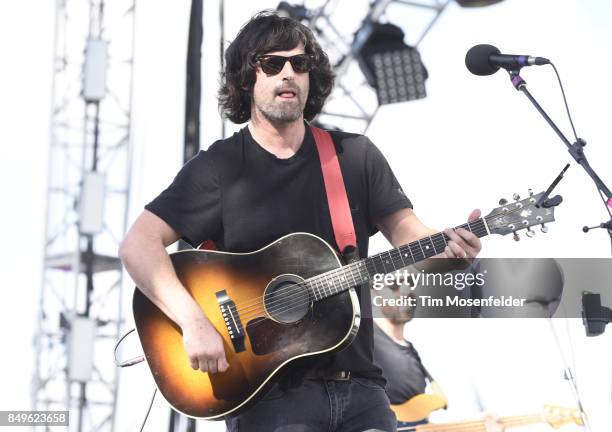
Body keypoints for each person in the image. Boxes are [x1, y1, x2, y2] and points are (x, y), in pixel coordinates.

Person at [119, 10, 482, 432]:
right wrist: (194, 322)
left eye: (300, 64)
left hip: (362, 390)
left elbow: (411, 236)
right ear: (245, 79)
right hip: (268, 399)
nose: (288, 73)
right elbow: (138, 245)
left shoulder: (354, 156)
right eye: (272, 64)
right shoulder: (217, 168)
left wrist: (452, 252)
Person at [373, 282, 504, 431]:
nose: (404, 291)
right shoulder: (361, 342)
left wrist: (474, 424)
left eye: (410, 283)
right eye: (394, 286)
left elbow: (418, 421)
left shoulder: (416, 353)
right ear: (373, 292)